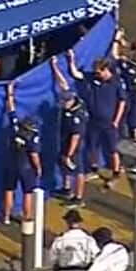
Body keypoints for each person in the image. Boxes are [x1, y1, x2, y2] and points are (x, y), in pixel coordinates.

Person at [68, 52, 125, 185]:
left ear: (106, 70)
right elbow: (76, 74)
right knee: (92, 147)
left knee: (113, 149)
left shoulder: (116, 83)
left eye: (99, 72)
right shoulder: (93, 78)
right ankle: (94, 169)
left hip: (109, 123)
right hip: (94, 121)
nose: (97, 74)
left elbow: (122, 102)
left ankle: (116, 173)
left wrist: (116, 121)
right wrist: (71, 60)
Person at [0, 82, 42, 225]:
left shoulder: (15, 126)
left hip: (11, 163)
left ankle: (5, 217)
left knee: (9, 190)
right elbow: (34, 155)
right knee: (27, 193)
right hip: (26, 167)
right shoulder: (33, 136)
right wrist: (38, 168)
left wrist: (9, 92)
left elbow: (10, 109)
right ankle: (27, 217)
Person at [51, 57, 88, 206]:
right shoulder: (73, 99)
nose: (63, 104)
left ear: (71, 101)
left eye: (65, 101)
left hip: (75, 146)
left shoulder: (77, 115)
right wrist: (55, 68)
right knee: (64, 164)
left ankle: (78, 198)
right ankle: (66, 188)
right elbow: (63, 84)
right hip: (65, 139)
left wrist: (69, 154)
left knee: (78, 170)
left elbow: (76, 136)